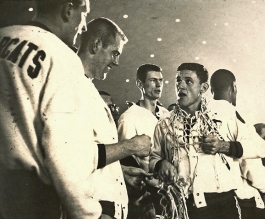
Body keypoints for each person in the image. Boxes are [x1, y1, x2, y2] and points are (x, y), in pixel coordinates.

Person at [0, 2, 151, 219]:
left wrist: (118, 172)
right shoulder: (62, 58)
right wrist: (90, 214)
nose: (82, 26)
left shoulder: (4, 36)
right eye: (84, 14)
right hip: (38, 201)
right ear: (68, 9)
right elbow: (65, 154)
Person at [149, 63, 265, 219]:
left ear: (203, 88)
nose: (181, 86)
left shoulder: (224, 113)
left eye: (188, 81)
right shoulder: (165, 123)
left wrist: (223, 146)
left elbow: (260, 147)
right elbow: (153, 157)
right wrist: (160, 163)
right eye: (178, 81)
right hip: (184, 207)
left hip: (222, 205)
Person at [78, 17, 153, 219]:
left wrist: (119, 171)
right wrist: (131, 146)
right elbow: (73, 157)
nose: (117, 62)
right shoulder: (73, 88)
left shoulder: (88, 90)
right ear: (96, 45)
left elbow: (92, 155)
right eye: (114, 53)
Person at [210, 69, 265, 219]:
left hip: (209, 200)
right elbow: (251, 165)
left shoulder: (201, 115)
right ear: (234, 86)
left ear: (211, 90)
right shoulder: (236, 117)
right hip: (240, 200)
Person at [117, 64, 169, 219]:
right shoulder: (129, 118)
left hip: (171, 189)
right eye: (153, 80)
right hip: (148, 193)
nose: (158, 84)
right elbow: (125, 160)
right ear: (140, 84)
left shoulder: (167, 115)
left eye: (160, 80)